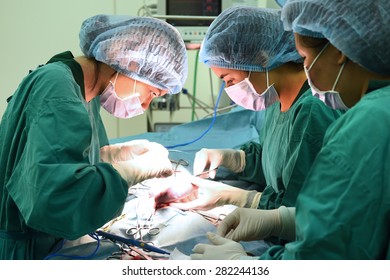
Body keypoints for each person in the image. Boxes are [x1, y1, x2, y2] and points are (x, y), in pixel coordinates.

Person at [192, 0, 390, 260]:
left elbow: (323, 256)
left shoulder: (367, 123)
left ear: (339, 48)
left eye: (305, 57)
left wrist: (241, 266)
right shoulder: (377, 109)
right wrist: (282, 218)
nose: (304, 68)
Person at [0, 14, 188, 260]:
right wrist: (130, 171)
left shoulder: (84, 92)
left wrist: (114, 155)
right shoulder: (57, 88)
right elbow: (56, 197)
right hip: (25, 252)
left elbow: (64, 156)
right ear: (132, 62)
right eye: (152, 92)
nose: (145, 105)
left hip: (49, 241)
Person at [162, 6, 343, 256]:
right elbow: (277, 158)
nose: (228, 90)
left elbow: (300, 211)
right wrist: (233, 159)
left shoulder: (313, 109)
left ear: (261, 59)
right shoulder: (275, 97)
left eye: (229, 79)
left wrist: (238, 198)